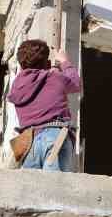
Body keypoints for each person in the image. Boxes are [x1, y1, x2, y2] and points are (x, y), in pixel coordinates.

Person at [8, 39, 81, 172]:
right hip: (54, 136)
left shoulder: (16, 85)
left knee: (33, 190)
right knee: (55, 189)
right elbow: (75, 83)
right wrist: (64, 62)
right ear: (46, 62)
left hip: (27, 143)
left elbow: (36, 80)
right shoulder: (54, 77)